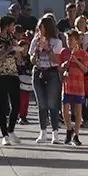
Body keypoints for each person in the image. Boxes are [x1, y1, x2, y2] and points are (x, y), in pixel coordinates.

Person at [0, 15, 23, 146]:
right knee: (2, 105)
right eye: (12, 26)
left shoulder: (12, 39)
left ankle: (11, 129)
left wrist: (17, 49)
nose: (13, 28)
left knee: (16, 104)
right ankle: (4, 134)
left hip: (13, 74)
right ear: (7, 26)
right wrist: (6, 51)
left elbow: (18, 59)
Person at [29, 16, 64, 144]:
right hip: (39, 71)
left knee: (52, 104)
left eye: (42, 27)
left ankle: (55, 133)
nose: (39, 29)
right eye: (39, 27)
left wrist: (48, 49)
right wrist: (36, 52)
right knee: (41, 104)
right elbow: (32, 60)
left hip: (52, 72)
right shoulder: (35, 41)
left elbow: (57, 60)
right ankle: (43, 132)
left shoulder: (56, 42)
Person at [60, 31, 88, 146]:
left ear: (77, 41)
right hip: (67, 84)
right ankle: (69, 129)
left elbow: (85, 69)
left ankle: (76, 135)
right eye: (67, 40)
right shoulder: (64, 52)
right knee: (65, 111)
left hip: (78, 85)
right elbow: (61, 67)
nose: (69, 42)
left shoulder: (83, 53)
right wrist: (65, 65)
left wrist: (76, 61)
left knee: (78, 112)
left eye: (71, 40)